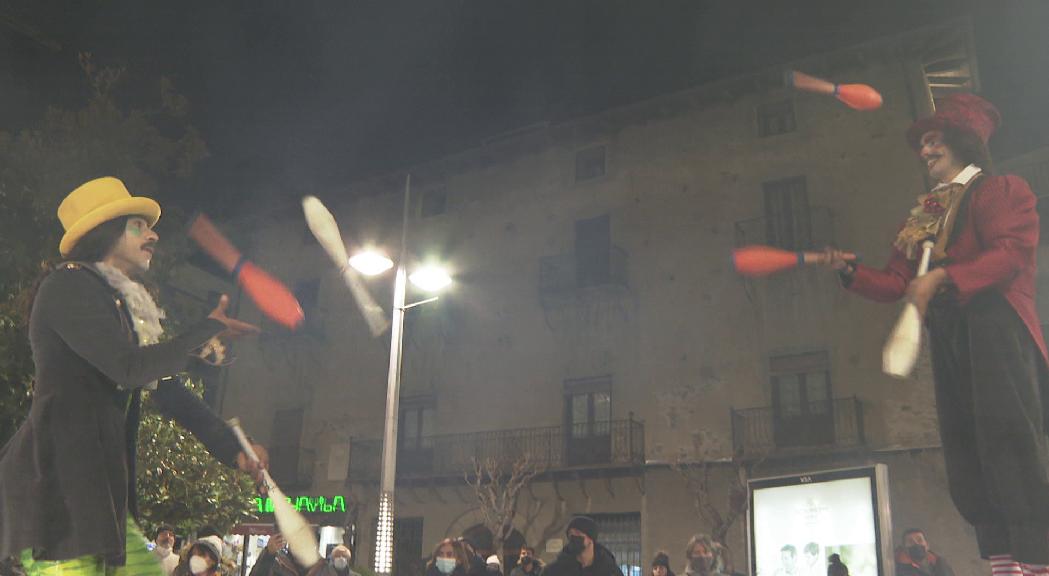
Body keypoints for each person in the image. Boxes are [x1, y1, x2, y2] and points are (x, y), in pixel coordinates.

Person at [823, 92, 1049, 569]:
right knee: (967, 453)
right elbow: (897, 283)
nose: (924, 151)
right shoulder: (924, 213)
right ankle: (1004, 565)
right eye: (922, 144)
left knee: (1008, 447)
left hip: (996, 327)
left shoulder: (1000, 190)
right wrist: (851, 272)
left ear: (963, 140)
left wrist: (943, 277)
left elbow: (1011, 255)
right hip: (950, 333)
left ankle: (1038, 564)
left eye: (933, 141)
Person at [0, 176, 268, 576]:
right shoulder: (67, 286)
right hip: (57, 495)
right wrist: (202, 332)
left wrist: (235, 449)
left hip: (98, 499)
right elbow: (127, 368)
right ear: (104, 232)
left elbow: (171, 394)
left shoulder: (119, 305)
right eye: (139, 226)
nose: (154, 236)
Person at [544, 516, 624, 576]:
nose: (573, 537)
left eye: (578, 533)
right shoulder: (555, 570)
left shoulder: (609, 570)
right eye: (570, 534)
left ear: (591, 538)